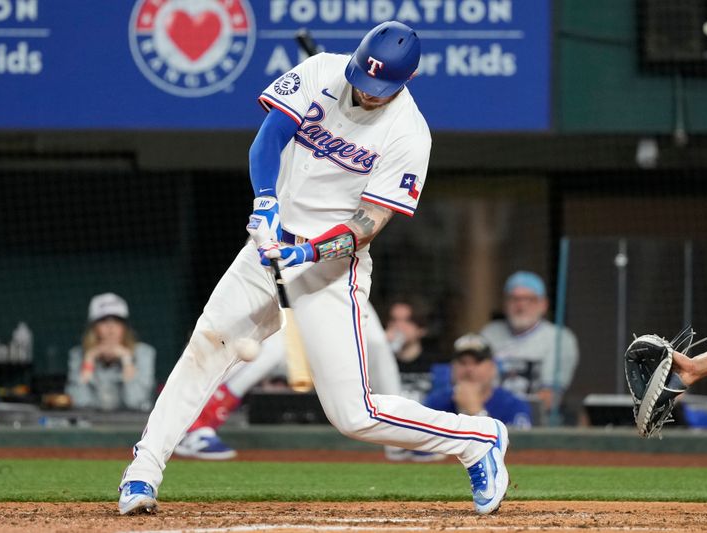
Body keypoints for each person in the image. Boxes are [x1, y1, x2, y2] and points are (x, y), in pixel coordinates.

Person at [118, 21, 509, 517]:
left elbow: (369, 223)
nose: (366, 94)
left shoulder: (409, 133)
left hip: (330, 268)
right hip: (266, 246)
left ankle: (476, 437)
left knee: (353, 415)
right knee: (206, 346)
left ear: (404, 82)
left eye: (378, 90)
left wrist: (308, 254)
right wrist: (265, 202)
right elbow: (267, 141)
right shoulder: (322, 71)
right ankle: (144, 469)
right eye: (362, 82)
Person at [173, 300, 409, 461]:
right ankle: (197, 424)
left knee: (377, 343)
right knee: (262, 348)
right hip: (286, 267)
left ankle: (399, 433)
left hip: (337, 266)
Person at [479, 271, 579, 415]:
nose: (521, 305)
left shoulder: (559, 338)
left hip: (536, 423)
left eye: (530, 299)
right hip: (490, 418)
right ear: (505, 303)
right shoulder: (489, 334)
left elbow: (549, 397)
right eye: (514, 299)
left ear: (544, 304)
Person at [65, 293, 156, 412]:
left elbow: (135, 402)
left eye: (117, 321)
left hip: (134, 426)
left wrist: (127, 361)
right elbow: (79, 402)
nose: (111, 328)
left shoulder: (143, 353)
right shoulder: (79, 354)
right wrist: (88, 361)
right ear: (93, 328)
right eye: (104, 321)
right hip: (93, 426)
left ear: (125, 327)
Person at [424, 334, 532, 429]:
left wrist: (477, 412)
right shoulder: (435, 404)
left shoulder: (513, 405)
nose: (469, 369)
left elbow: (517, 450)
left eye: (477, 362)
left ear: (492, 367)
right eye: (463, 362)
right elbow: (420, 450)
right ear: (453, 368)